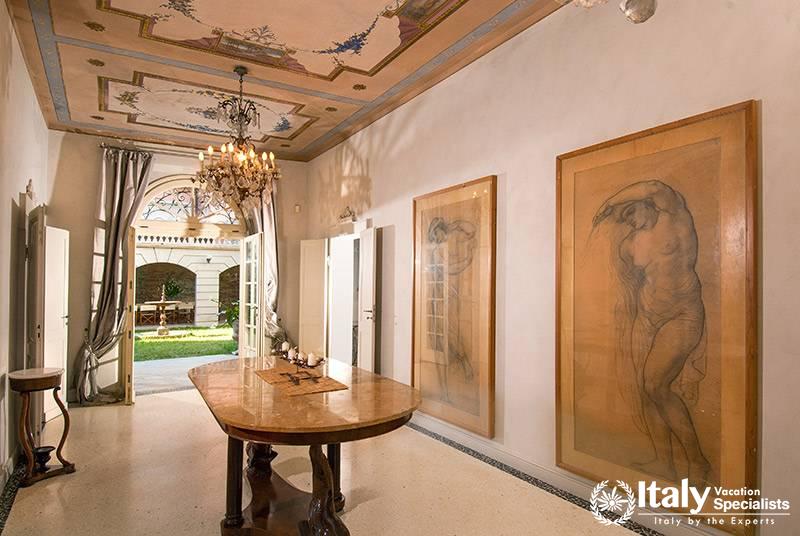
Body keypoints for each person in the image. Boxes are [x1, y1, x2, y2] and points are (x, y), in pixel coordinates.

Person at [593, 179, 710, 485]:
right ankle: (664, 462)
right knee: (644, 388)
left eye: (632, 211)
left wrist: (609, 202)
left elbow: (655, 187)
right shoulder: (633, 241)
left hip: (681, 315)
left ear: (647, 205)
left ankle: (697, 461)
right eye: (626, 218)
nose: (630, 220)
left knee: (656, 385)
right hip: (647, 317)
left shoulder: (674, 217)